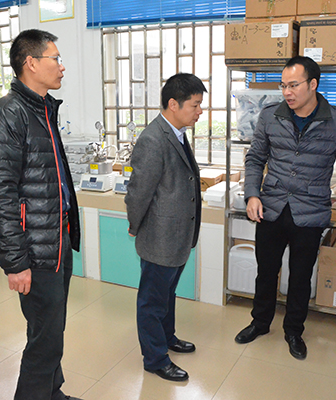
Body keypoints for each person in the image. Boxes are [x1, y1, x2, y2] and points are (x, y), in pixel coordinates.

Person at [234, 56, 336, 360]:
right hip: (271, 207)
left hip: (310, 211)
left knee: (300, 276)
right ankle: (260, 322)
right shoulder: (270, 116)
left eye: (293, 85)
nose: (287, 92)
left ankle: (294, 331)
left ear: (313, 85)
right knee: (265, 272)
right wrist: (252, 195)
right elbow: (255, 159)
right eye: (283, 85)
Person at [0, 29, 81, 400]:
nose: (62, 67)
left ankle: (53, 392)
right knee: (44, 340)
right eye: (56, 58)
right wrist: (16, 262)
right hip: (34, 250)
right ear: (31, 63)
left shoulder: (42, 110)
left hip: (55, 239)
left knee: (51, 330)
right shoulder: (6, 115)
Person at [125, 73, 206, 382]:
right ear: (174, 104)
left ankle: (167, 337)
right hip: (159, 237)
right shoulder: (153, 139)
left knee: (167, 294)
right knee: (152, 301)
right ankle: (155, 358)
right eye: (195, 105)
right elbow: (138, 191)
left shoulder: (177, 133)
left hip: (178, 235)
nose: (199, 111)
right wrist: (135, 225)